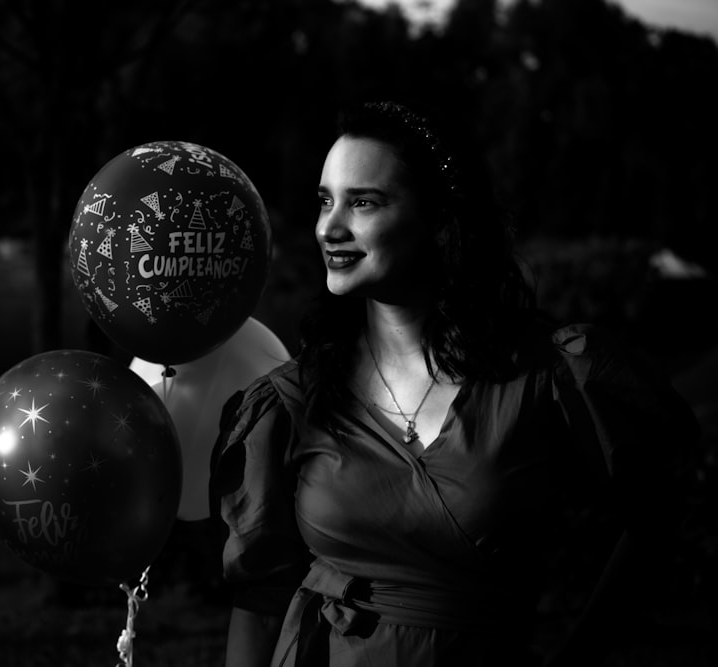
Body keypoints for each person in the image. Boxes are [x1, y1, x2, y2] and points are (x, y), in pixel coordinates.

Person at [207, 100, 700, 666]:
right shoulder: (295, 398)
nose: (329, 228)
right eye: (325, 201)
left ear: (439, 221)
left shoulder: (547, 374)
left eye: (363, 202)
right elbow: (261, 601)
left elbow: (659, 508)